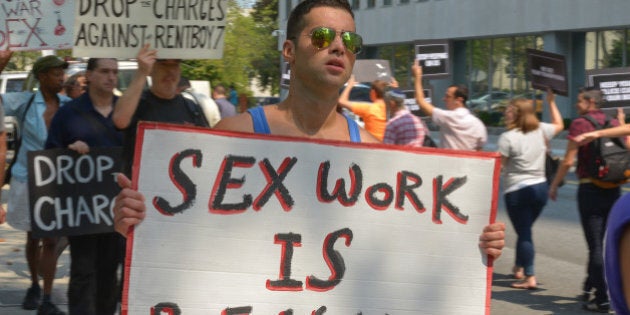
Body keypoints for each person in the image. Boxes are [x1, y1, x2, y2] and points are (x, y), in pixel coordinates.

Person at [112, 0, 505, 267]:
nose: (337, 46)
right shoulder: (233, 136)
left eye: (349, 41)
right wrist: (137, 223)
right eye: (321, 37)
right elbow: (184, 241)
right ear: (288, 50)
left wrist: (471, 242)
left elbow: (405, 254)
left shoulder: (375, 156)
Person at [45, 58, 123, 315]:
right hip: (83, 211)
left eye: (114, 72)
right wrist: (68, 152)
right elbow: (50, 157)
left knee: (109, 274)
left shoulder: (126, 112)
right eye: (104, 71)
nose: (111, 77)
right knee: (82, 271)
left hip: (116, 209)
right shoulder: (69, 113)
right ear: (89, 75)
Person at [0, 52, 70, 314]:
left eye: (62, 73)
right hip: (28, 179)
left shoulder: (68, 105)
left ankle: (48, 298)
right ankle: (34, 285)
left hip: (58, 181)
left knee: (50, 239)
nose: (61, 77)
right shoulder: (25, 102)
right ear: (41, 76)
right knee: (33, 237)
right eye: (55, 73)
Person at [549, 87, 626, 313]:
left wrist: (555, 184)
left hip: (590, 189)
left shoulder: (580, 124)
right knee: (608, 243)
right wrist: (620, 123)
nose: (576, 104)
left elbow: (567, 161)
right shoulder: (614, 123)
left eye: (579, 100)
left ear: (591, 102)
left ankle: (602, 298)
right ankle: (590, 285)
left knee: (595, 245)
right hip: (613, 188)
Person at [497, 89, 563, 290]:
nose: (505, 113)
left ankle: (530, 275)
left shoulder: (507, 138)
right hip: (540, 189)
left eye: (508, 110)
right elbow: (560, 125)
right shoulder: (541, 129)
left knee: (524, 232)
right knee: (524, 229)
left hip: (517, 191)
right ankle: (518, 266)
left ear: (517, 114)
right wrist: (551, 102)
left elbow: (500, 166)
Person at [112, 44, 210, 177]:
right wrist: (141, 72)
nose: (170, 71)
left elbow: (208, 148)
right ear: (151, 70)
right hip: (141, 192)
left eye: (175, 64)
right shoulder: (137, 104)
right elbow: (120, 120)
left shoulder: (192, 108)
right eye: (164, 64)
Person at [412, 60, 487, 151]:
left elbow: (420, 102)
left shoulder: (448, 117)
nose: (444, 99)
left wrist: (417, 76)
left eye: (448, 96)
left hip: (448, 164)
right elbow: (480, 150)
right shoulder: (478, 124)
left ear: (459, 100)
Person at [338, 75, 391, 141]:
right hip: (388, 147)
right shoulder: (390, 108)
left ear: (373, 92)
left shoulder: (369, 108)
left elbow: (341, 101)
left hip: (372, 146)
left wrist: (350, 85)